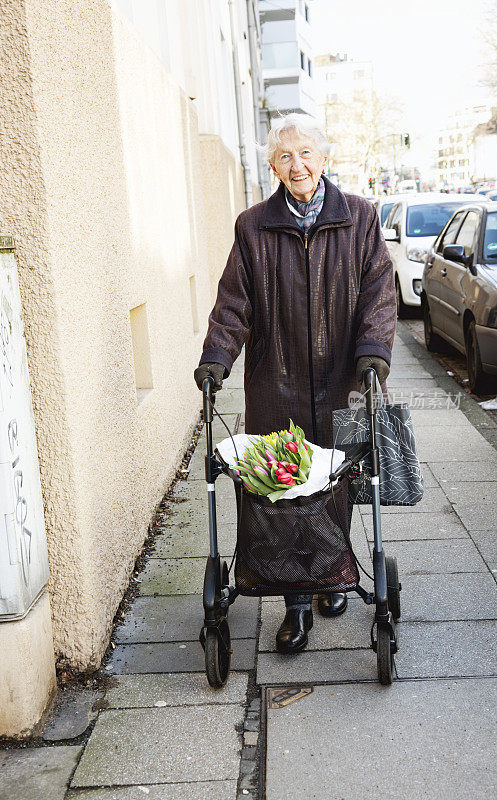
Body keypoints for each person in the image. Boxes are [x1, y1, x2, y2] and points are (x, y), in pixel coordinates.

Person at [194, 113, 396, 654]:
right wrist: (217, 356)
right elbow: (234, 302)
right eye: (285, 156)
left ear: (325, 159)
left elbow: (379, 290)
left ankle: (332, 571)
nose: (297, 164)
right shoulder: (253, 226)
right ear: (273, 166)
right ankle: (297, 605)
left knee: (335, 482)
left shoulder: (360, 217)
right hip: (275, 381)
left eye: (306, 153)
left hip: (340, 381)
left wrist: (373, 352)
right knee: (284, 491)